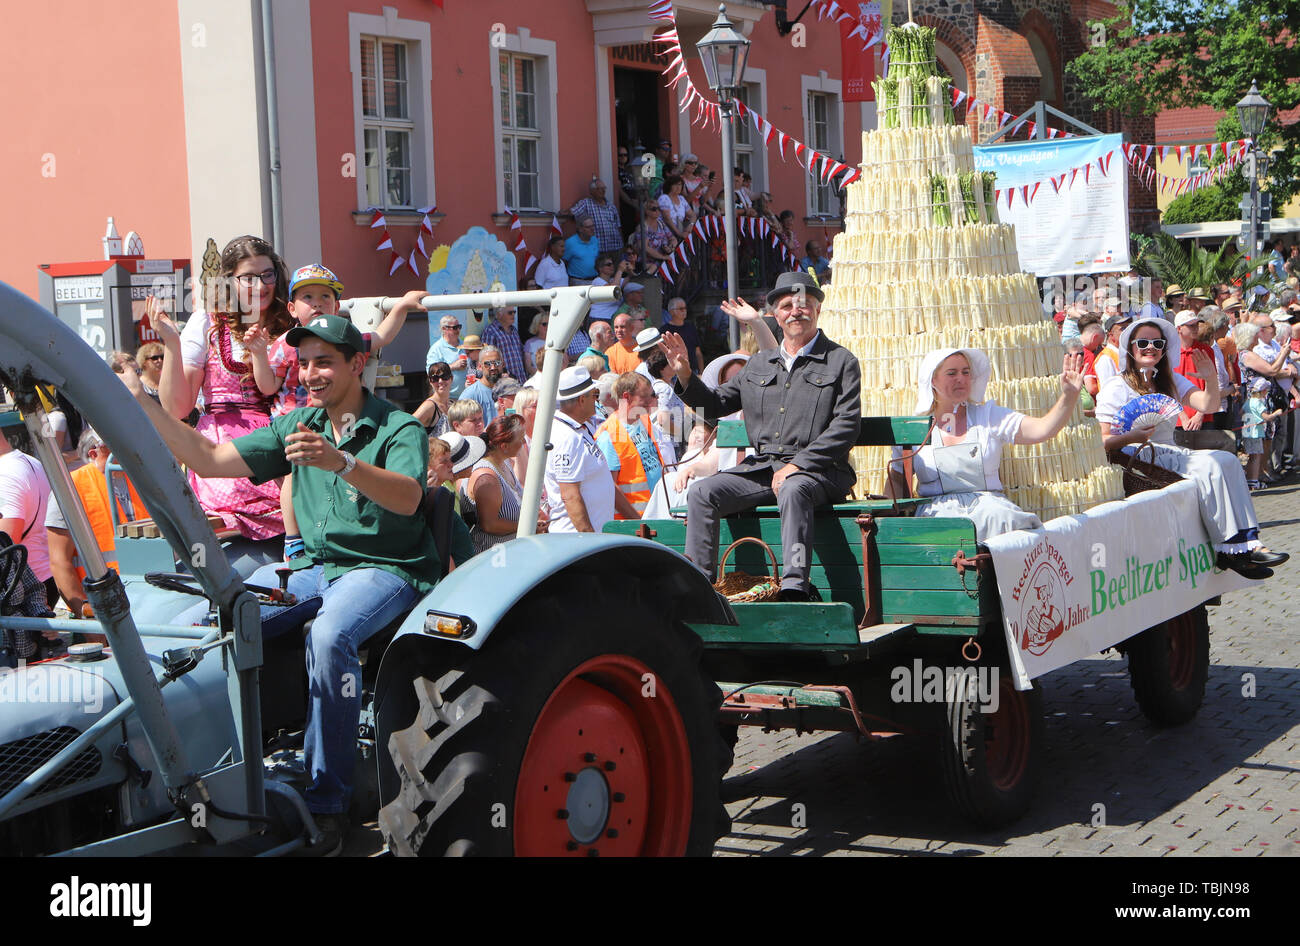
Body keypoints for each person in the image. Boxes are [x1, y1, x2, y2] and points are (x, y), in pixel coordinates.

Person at [118, 312, 436, 853]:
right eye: (306, 363)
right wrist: (143, 403)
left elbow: (408, 497)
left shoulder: (398, 427)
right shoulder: (297, 423)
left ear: (358, 364)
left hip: (387, 568)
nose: (312, 373)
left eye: (325, 362)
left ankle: (327, 803)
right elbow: (210, 458)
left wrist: (342, 463)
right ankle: (211, 775)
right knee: (213, 619)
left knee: (329, 635)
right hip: (315, 568)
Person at [662, 272, 860, 601]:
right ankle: (699, 587)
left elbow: (846, 426)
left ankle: (795, 586)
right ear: (776, 315)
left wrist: (797, 465)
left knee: (794, 487)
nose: (796, 311)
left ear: (817, 311)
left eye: (805, 304)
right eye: (787, 306)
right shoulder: (757, 364)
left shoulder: (841, 361)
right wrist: (684, 372)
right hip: (764, 470)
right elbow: (713, 407)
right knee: (701, 493)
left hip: (821, 472)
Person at [1095, 317, 1287, 579]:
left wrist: (1209, 378)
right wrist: (1132, 437)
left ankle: (1249, 542)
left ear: (1164, 349)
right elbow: (1103, 440)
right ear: (1130, 348)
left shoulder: (1168, 380)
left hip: (1169, 451)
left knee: (1227, 460)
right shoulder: (1117, 386)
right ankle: (1229, 546)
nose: (1150, 348)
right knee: (1210, 465)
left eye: (1157, 343)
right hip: (1137, 457)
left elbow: (1206, 405)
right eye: (1143, 343)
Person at [152, 235, 290, 546]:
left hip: (280, 440)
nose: (260, 285)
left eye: (267, 275)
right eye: (248, 278)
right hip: (223, 446)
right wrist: (172, 345)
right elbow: (177, 408)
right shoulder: (209, 323)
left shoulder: (291, 323)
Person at [885, 348, 1083, 540]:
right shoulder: (913, 429)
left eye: (966, 372)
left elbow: (1043, 429)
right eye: (951, 373)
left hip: (989, 509)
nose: (960, 378)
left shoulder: (989, 417)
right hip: (937, 516)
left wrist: (1069, 396)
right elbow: (896, 480)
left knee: (1003, 520)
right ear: (933, 380)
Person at [44, 428, 148, 621]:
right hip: (103, 604)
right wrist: (85, 613)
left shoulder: (141, 478)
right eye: (112, 445)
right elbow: (59, 561)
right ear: (93, 453)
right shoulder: (71, 487)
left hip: (150, 597)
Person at [544, 366, 634, 532]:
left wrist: (636, 521)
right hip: (576, 541)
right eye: (595, 395)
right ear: (581, 400)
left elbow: (604, 480)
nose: (597, 400)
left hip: (588, 539)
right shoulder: (566, 437)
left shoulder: (581, 428)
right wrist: (591, 539)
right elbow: (570, 496)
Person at [0, 414, 54, 607]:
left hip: (25, 593)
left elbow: (6, 546)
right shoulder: (30, 461)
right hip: (43, 578)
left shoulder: (4, 475)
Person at [596, 372, 665, 519]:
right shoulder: (608, 435)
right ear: (627, 397)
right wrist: (637, 522)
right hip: (636, 521)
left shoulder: (645, 420)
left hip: (658, 511)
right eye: (644, 396)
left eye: (651, 394)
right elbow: (610, 487)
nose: (651, 400)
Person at [464, 413, 526, 553]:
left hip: (511, 552)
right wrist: (527, 525)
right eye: (521, 439)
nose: (523, 443)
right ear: (504, 446)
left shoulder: (505, 463)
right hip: (493, 558)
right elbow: (489, 524)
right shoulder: (487, 478)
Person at [1241, 378, 1281, 490]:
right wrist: (1276, 413)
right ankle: (1254, 481)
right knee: (1256, 457)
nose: (1267, 392)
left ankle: (1249, 480)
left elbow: (1241, 413)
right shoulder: (1258, 403)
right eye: (1266, 390)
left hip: (1247, 434)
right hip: (1255, 434)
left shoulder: (1248, 401)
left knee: (1251, 457)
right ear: (1262, 391)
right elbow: (1267, 417)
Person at [570, 179, 623, 255]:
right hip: (598, 249)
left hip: (615, 247)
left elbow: (618, 226)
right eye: (599, 188)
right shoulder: (586, 203)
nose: (603, 191)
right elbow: (573, 212)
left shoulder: (611, 206)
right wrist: (564, 213)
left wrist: (622, 245)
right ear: (592, 191)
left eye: (604, 188)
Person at [426, 315, 472, 399]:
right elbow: (431, 373)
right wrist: (453, 366)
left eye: (459, 327)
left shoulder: (465, 345)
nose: (458, 330)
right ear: (444, 329)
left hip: (467, 396)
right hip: (447, 398)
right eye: (454, 328)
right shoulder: (436, 349)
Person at [481, 305, 526, 382]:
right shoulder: (490, 332)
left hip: (520, 380)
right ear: (499, 315)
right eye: (510, 313)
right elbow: (488, 358)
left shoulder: (514, 330)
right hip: (504, 382)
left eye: (514, 312)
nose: (513, 315)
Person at [462, 346, 505, 425]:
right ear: (479, 366)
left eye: (497, 363)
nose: (493, 367)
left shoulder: (510, 391)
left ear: (503, 364)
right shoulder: (470, 395)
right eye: (487, 364)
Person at [663, 296, 703, 372]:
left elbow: (698, 352)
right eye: (681, 309)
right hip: (675, 372)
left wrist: (701, 371)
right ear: (671, 312)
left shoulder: (691, 327)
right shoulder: (664, 331)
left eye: (685, 308)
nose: (684, 311)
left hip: (693, 370)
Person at [412, 362, 454, 437]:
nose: (440, 381)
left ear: (451, 378)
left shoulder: (453, 405)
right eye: (435, 378)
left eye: (445, 377)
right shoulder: (429, 406)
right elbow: (407, 427)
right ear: (430, 382)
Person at [588, 255, 631, 326]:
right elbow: (613, 291)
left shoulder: (613, 280)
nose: (612, 266)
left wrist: (629, 270)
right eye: (608, 265)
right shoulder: (597, 281)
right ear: (600, 268)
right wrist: (620, 270)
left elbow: (628, 279)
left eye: (612, 264)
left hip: (613, 318)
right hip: (600, 318)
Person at [657, 175, 695, 244]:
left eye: (680, 185)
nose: (678, 187)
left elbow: (693, 215)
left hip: (678, 232)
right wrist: (679, 233)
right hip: (664, 232)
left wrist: (690, 225)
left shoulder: (681, 199)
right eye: (675, 185)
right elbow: (667, 219)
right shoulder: (664, 198)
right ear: (669, 186)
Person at [563, 217, 600, 285]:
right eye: (588, 227)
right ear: (580, 229)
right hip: (578, 281)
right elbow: (563, 262)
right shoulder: (570, 242)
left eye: (593, 226)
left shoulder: (595, 240)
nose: (592, 229)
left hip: (595, 280)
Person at [524, 311, 549, 377]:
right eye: (544, 324)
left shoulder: (557, 341)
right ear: (537, 325)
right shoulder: (529, 343)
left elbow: (564, 361)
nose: (547, 326)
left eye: (550, 324)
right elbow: (528, 367)